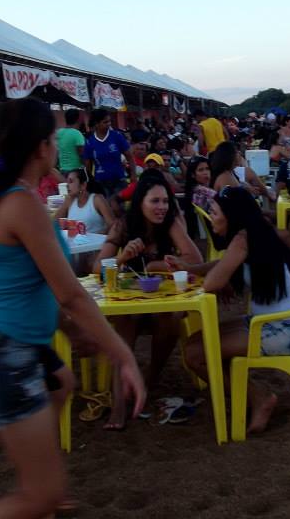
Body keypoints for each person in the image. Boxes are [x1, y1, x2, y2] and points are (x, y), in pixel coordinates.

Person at [0, 98, 144, 518]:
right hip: (4, 352)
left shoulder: (8, 195)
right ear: (42, 148)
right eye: (53, 140)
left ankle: (36, 475)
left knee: (62, 382)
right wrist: (123, 354)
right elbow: (70, 293)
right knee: (41, 496)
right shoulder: (22, 205)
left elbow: (29, 284)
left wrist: (71, 330)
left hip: (4, 343)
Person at [181, 186, 290, 434]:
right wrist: (190, 269)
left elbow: (212, 283)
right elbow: (223, 263)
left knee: (194, 354)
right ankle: (249, 395)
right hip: (280, 323)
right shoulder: (255, 232)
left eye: (214, 212)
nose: (210, 217)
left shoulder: (242, 239)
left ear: (231, 216)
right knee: (194, 343)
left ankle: (258, 398)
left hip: (285, 332)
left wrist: (196, 273)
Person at [94, 169, 200, 430]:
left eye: (165, 201)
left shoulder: (170, 224)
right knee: (125, 319)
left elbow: (195, 259)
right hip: (130, 302)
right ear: (140, 202)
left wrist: (159, 265)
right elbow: (97, 268)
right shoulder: (123, 226)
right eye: (155, 201)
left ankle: (150, 378)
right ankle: (119, 403)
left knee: (171, 319)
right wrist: (121, 258)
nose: (162, 207)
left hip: (162, 303)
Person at [83, 108, 136, 198]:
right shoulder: (90, 142)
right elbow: (88, 166)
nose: (109, 124)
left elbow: (130, 156)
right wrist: (90, 182)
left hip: (119, 181)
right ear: (97, 124)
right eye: (105, 122)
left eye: (109, 121)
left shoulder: (117, 136)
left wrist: (133, 175)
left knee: (118, 205)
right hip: (101, 183)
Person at [55, 167, 115, 237]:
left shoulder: (97, 200)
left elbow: (112, 224)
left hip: (96, 243)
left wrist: (95, 237)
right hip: (75, 242)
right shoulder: (69, 201)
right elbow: (55, 222)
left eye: (71, 182)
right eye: (67, 182)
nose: (67, 185)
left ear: (83, 185)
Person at [182, 155, 215, 241]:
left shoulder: (193, 190)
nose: (205, 172)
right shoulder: (201, 192)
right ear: (193, 175)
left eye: (207, 169)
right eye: (201, 170)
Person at [57, 108, 86, 173]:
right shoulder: (77, 134)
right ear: (78, 119)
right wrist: (85, 166)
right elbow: (81, 153)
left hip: (62, 170)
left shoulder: (59, 132)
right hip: (75, 171)